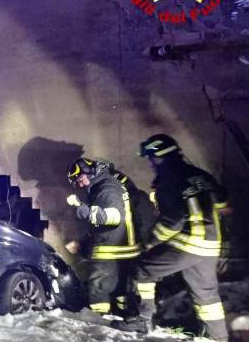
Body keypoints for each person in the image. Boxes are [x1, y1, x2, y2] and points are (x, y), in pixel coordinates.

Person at [119, 134, 231, 341]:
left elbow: (174, 219)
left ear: (159, 157)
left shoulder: (169, 181)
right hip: (210, 245)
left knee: (143, 269)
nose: (151, 164)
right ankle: (218, 338)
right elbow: (223, 205)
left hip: (189, 242)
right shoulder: (200, 175)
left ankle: (142, 320)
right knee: (207, 296)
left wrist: (150, 242)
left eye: (151, 158)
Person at [66, 157, 141, 316]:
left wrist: (85, 210)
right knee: (120, 291)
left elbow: (115, 217)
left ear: (88, 171)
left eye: (79, 179)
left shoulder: (107, 188)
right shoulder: (102, 186)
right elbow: (99, 226)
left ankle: (99, 324)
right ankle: (122, 320)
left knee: (98, 287)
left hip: (112, 250)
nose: (79, 184)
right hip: (120, 248)